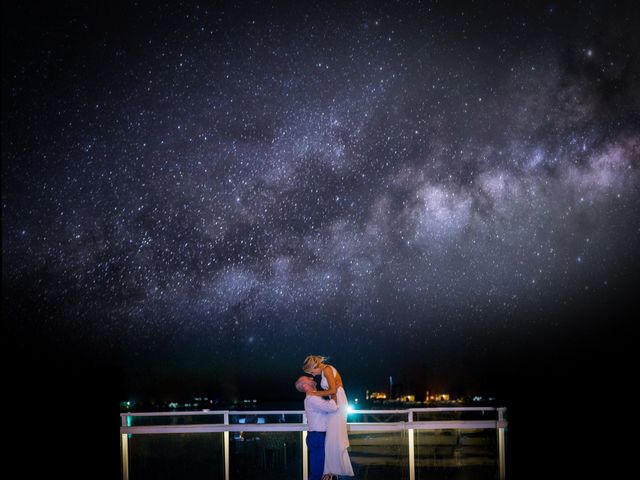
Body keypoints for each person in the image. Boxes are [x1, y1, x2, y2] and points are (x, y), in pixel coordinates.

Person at [302, 355, 355, 479]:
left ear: (314, 366)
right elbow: (332, 392)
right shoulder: (325, 371)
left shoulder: (327, 369)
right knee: (332, 437)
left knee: (333, 437)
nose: (313, 375)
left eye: (311, 371)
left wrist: (314, 393)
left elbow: (332, 390)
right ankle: (331, 471)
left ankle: (333, 470)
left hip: (339, 400)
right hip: (336, 400)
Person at [295, 375, 339, 480]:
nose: (311, 377)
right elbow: (332, 407)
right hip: (318, 436)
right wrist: (334, 392)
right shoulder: (312, 398)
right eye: (307, 378)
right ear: (305, 386)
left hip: (317, 436)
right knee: (318, 472)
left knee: (322, 471)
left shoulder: (313, 397)